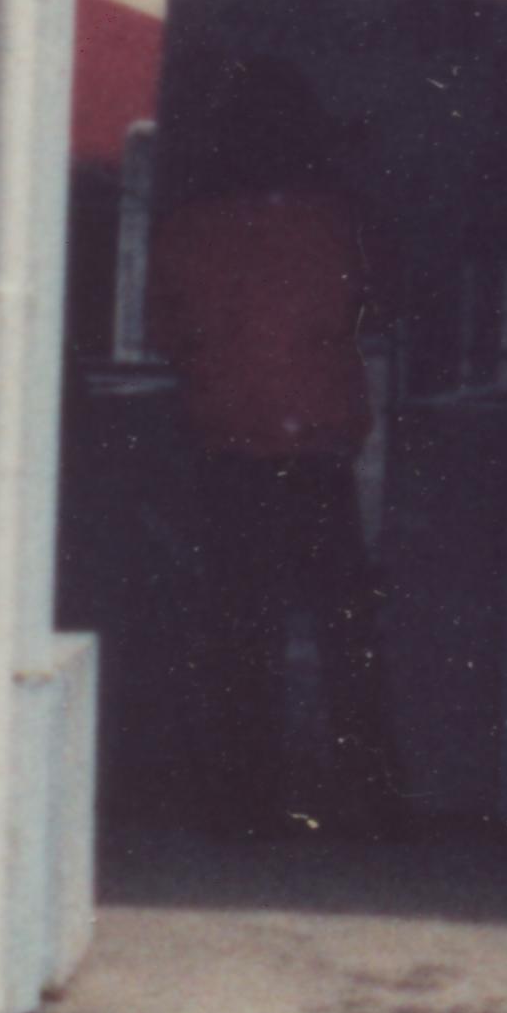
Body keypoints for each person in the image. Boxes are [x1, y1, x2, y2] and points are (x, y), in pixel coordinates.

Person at [150, 54, 402, 838]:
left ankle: (243, 800)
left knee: (237, 626)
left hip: (226, 436)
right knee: (343, 625)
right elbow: (376, 308)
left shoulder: (189, 225)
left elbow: (167, 331)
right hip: (318, 441)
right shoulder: (336, 220)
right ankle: (371, 790)